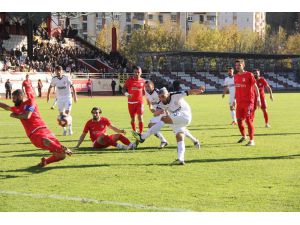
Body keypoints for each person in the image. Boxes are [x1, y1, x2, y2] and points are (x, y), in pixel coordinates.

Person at [132, 86, 205, 165]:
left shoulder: (175, 95)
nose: (162, 99)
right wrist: (156, 111)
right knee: (179, 136)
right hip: (178, 119)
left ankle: (143, 137)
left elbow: (190, 92)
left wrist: (199, 90)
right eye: (160, 97)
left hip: (185, 114)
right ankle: (180, 159)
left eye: (163, 96)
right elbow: (155, 113)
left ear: (168, 94)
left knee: (164, 119)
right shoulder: (161, 103)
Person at [0, 89, 72, 167]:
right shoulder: (17, 108)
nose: (13, 101)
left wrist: (15, 115)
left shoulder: (30, 101)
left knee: (61, 156)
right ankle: (61, 148)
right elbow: (7, 107)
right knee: (45, 140)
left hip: (44, 129)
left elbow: (27, 116)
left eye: (14, 98)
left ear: (20, 96)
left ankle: (46, 161)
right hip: (34, 133)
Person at [234, 59, 261, 146]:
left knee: (248, 120)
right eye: (236, 66)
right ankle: (244, 136)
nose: (237, 67)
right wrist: (234, 100)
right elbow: (236, 89)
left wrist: (258, 99)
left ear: (243, 65)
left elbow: (255, 87)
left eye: (239, 65)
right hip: (239, 102)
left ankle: (252, 140)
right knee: (238, 120)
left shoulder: (249, 75)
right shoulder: (236, 76)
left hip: (248, 102)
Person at [47, 65, 77, 136]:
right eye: (56, 71)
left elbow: (72, 86)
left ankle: (70, 129)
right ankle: (64, 130)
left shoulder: (66, 78)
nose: (58, 72)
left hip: (67, 97)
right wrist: (48, 96)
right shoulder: (54, 79)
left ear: (62, 71)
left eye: (59, 71)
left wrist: (75, 96)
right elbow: (50, 87)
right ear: (55, 71)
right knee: (61, 115)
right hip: (59, 98)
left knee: (67, 114)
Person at [145, 80, 168, 149]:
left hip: (163, 112)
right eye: (145, 86)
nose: (147, 88)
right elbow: (149, 101)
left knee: (151, 126)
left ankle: (163, 140)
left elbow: (165, 100)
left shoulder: (157, 92)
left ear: (153, 86)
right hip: (157, 112)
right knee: (151, 126)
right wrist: (150, 107)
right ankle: (163, 141)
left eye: (148, 86)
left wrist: (164, 111)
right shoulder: (146, 92)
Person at [122, 66, 145, 134]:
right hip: (131, 103)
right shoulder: (129, 80)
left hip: (140, 103)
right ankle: (135, 131)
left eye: (138, 72)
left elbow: (145, 91)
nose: (137, 73)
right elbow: (123, 89)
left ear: (141, 72)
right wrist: (127, 94)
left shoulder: (143, 81)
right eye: (135, 72)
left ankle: (140, 133)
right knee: (132, 119)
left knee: (140, 117)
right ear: (133, 72)